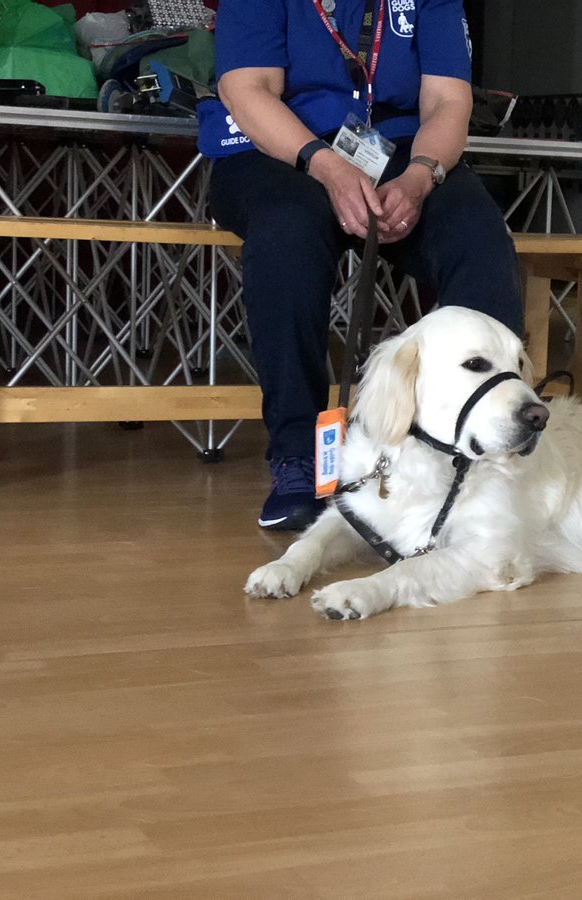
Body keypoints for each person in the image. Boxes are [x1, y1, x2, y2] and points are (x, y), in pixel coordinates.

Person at [197, 0, 522, 530]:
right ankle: (300, 457)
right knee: (288, 231)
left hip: (399, 150)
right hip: (277, 151)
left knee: (476, 236)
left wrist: (420, 178)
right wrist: (325, 168)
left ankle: (474, 446)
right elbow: (247, 88)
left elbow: (447, 101)